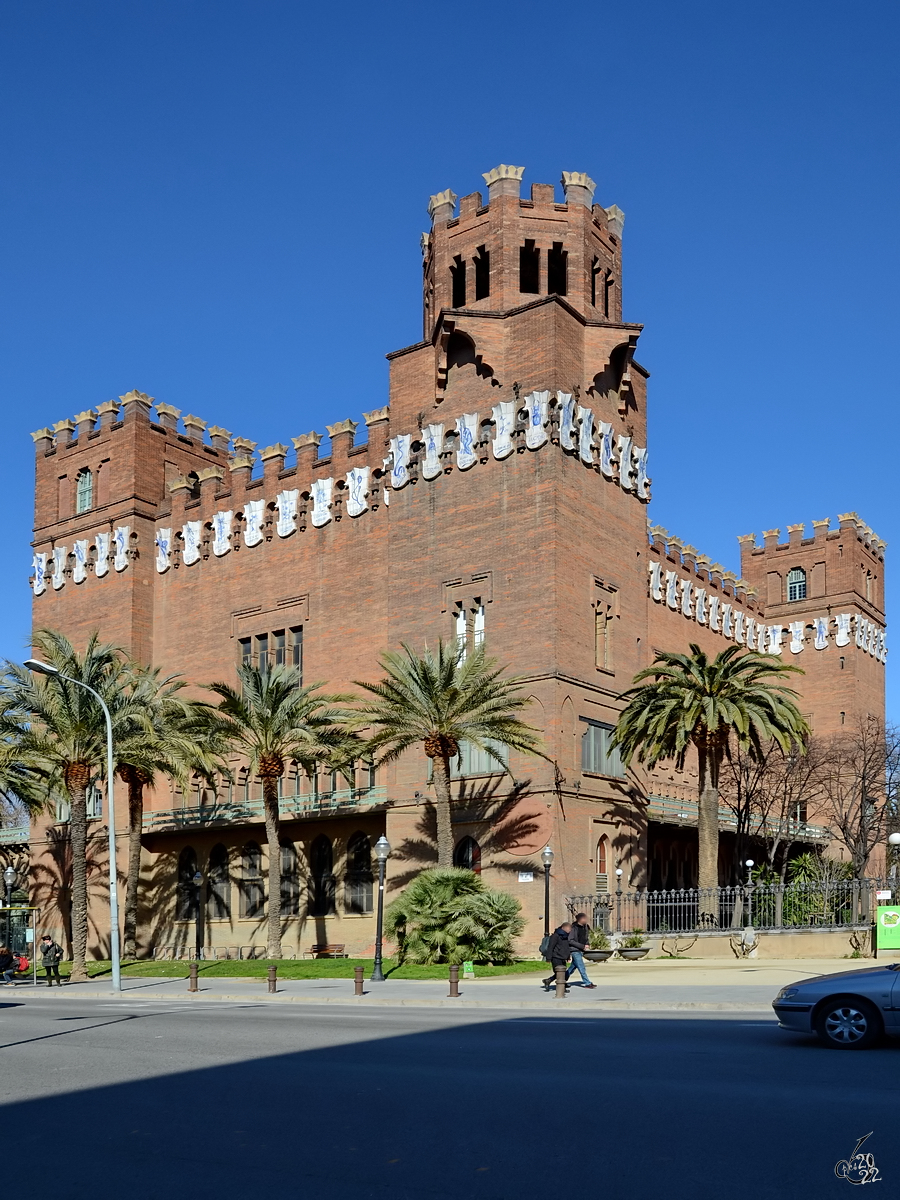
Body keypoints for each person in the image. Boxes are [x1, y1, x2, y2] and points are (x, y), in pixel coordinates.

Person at [566, 912, 597, 989]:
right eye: (584, 918)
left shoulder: (585, 927)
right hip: (574, 950)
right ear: (580, 919)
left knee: (572, 968)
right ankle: (587, 983)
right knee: (581, 967)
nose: (586, 920)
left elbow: (585, 937)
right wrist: (582, 946)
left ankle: (559, 980)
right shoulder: (573, 928)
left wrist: (587, 944)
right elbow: (570, 940)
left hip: (581, 950)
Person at [542, 921, 572, 991]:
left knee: (563, 973)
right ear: (563, 928)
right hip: (556, 957)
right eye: (569, 929)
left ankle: (548, 980)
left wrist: (568, 956)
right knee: (560, 973)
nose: (570, 931)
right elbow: (551, 947)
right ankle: (562, 988)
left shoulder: (565, 936)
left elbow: (566, 947)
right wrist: (548, 958)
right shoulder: (555, 936)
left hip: (563, 957)